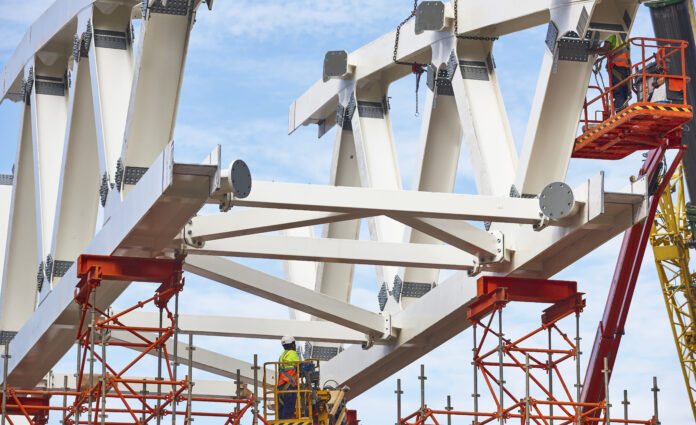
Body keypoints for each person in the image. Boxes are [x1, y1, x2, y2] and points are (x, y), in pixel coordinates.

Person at [594, 35, 631, 112]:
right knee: (624, 92)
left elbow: (605, 50)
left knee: (618, 91)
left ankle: (620, 114)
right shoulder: (624, 36)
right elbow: (612, 50)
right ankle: (623, 111)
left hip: (617, 67)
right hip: (626, 67)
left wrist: (590, 51)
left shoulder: (610, 34)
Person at [277, 335, 300, 420]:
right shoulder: (292, 354)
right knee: (289, 409)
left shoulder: (282, 355)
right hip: (290, 386)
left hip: (281, 386)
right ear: (293, 344)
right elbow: (300, 366)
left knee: (281, 409)